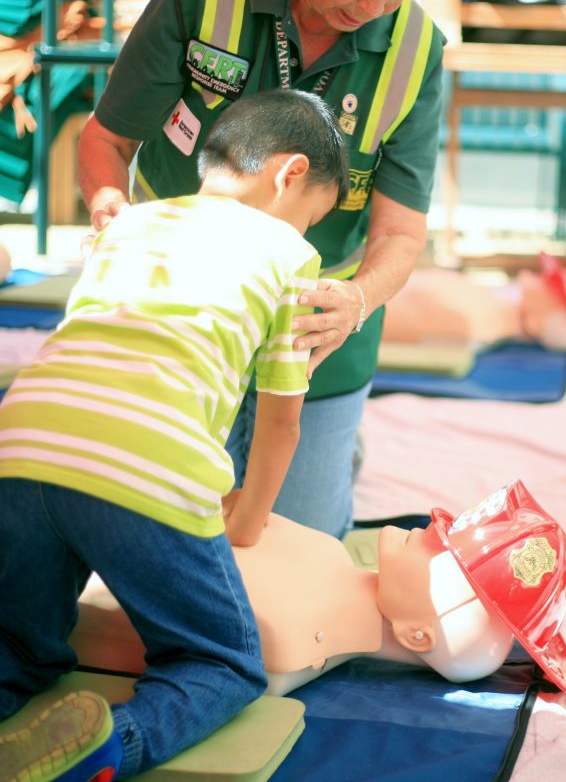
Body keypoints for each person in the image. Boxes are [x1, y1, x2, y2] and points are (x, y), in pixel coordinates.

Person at [76, 0, 453, 538]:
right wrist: (109, 213)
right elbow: (107, 139)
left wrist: (356, 299)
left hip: (316, 335)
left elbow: (401, 231)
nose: (373, 7)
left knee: (299, 547)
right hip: (184, 319)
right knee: (163, 530)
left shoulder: (416, 54)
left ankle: (333, 455)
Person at [0, 88, 349, 782]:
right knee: (219, 661)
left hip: (21, 440)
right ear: (288, 174)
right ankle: (112, 748)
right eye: (314, 214)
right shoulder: (290, 257)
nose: (307, 232)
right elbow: (281, 420)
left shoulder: (130, 223)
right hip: (145, 465)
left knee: (19, 646)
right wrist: (246, 521)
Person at [8, 479, 566, 782]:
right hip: (85, 549)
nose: (431, 527)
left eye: (444, 549)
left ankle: (115, 744)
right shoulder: (325, 558)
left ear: (419, 636)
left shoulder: (288, 640)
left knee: (223, 673)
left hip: (62, 564)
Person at [382, 253, 566, 352]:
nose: (540, 277)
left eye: (550, 285)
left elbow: (373, 320)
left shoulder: (472, 322)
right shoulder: (484, 308)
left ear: (537, 324)